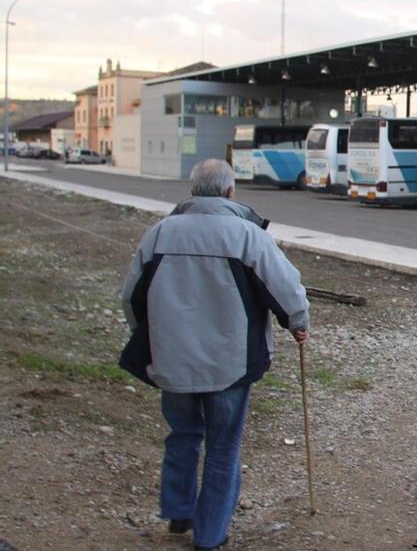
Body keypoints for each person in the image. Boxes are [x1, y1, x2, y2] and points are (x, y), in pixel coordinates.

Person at [119, 158, 309, 550]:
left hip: (173, 358)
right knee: (223, 446)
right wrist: (298, 322)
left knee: (183, 433)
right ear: (229, 192)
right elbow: (287, 289)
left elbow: (130, 295)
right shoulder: (247, 236)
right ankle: (210, 536)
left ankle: (179, 511)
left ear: (192, 192)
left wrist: (147, 338)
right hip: (229, 363)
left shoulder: (160, 233)